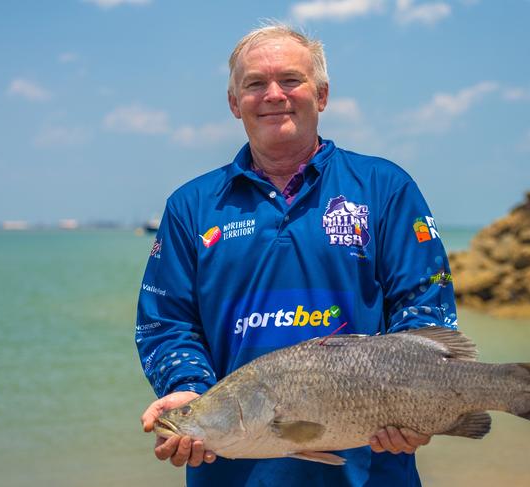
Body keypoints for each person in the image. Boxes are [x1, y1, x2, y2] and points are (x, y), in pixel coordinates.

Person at [136, 23, 458, 487]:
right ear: (233, 103)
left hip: (372, 469)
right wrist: (189, 392)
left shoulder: (386, 187)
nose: (273, 94)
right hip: (231, 471)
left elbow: (425, 306)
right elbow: (166, 323)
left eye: (291, 79)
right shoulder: (191, 206)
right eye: (254, 84)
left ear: (322, 95)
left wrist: (414, 403)